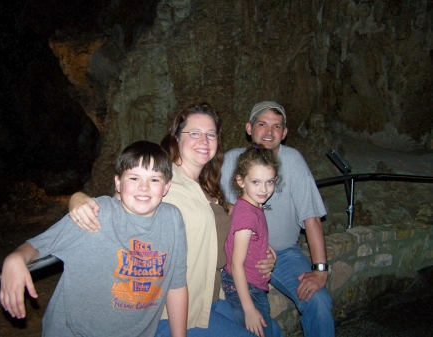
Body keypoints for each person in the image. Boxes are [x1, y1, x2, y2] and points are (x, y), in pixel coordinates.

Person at [67, 103, 283, 337]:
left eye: (211, 135)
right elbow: (119, 202)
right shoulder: (164, 179)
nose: (204, 140)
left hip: (210, 296)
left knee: (274, 331)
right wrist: (77, 198)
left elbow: (226, 222)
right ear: (177, 138)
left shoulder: (207, 188)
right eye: (195, 133)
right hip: (173, 312)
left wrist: (258, 247)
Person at [0, 141, 188, 337]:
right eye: (134, 177)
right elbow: (38, 245)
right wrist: (16, 258)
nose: (144, 187)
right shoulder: (96, 213)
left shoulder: (172, 219)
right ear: (117, 183)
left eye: (154, 180)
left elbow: (176, 284)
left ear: (166, 187)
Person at [220, 101, 334, 337]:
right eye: (262, 124)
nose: (269, 132)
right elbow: (207, 201)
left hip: (284, 254)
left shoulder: (292, 161)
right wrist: (228, 206)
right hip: (241, 258)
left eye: (276, 126)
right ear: (249, 128)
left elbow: (311, 218)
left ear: (284, 133)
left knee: (319, 300)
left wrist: (320, 270)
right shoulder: (231, 161)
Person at [221, 144, 279, 337]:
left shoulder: (252, 204)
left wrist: (265, 247)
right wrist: (249, 309)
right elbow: (236, 264)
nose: (263, 189)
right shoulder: (248, 215)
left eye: (269, 182)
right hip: (246, 288)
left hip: (250, 284)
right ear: (241, 181)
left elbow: (250, 238)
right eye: (255, 182)